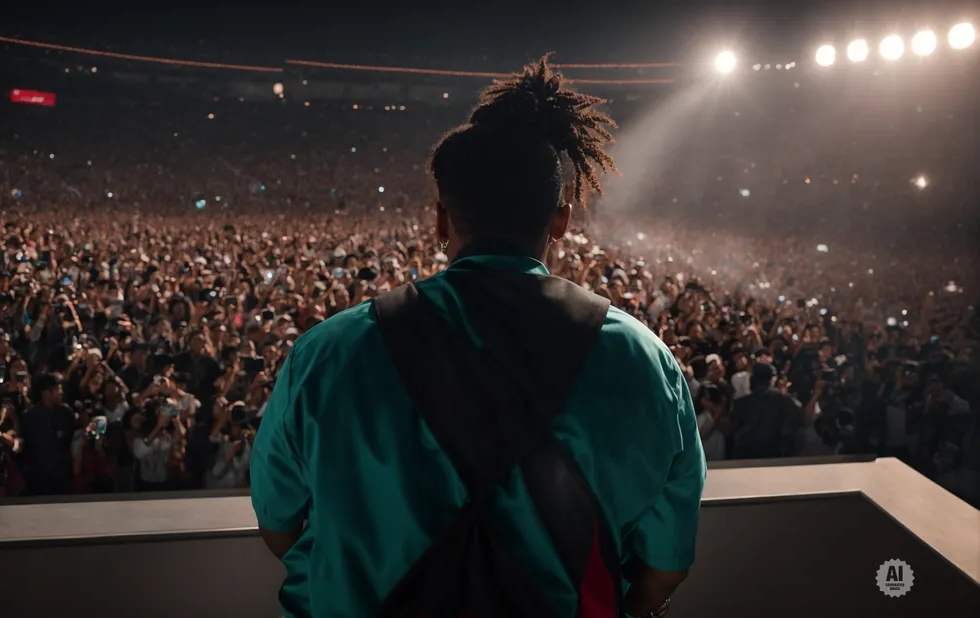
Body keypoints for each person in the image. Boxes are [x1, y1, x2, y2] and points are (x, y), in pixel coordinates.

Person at [251, 56, 705, 618]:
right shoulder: (646, 362)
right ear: (560, 221)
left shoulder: (324, 354)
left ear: (441, 221)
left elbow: (279, 526)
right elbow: (664, 567)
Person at [728, 363, 804, 460]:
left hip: (748, 457)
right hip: (774, 456)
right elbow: (800, 417)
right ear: (771, 380)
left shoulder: (741, 403)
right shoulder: (783, 400)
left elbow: (732, 428)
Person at [19, 373, 77, 496]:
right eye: (57, 389)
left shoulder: (66, 413)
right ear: (46, 393)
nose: (61, 392)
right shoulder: (30, 416)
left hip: (63, 479)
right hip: (37, 481)